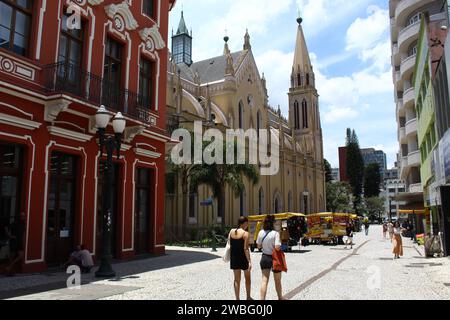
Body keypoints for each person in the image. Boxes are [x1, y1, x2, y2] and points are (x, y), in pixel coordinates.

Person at [256, 215, 284, 300]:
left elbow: (258, 246)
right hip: (274, 258)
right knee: (277, 281)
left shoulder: (261, 232)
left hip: (265, 257)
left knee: (264, 280)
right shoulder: (275, 234)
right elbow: (277, 247)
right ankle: (280, 298)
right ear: (273, 223)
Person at [228, 217, 253, 300]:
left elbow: (229, 244)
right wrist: (249, 261)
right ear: (244, 223)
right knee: (247, 278)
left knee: (236, 279)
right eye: (247, 223)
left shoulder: (231, 232)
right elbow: (246, 248)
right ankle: (248, 297)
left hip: (234, 257)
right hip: (243, 258)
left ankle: (237, 299)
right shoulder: (246, 233)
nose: (248, 225)